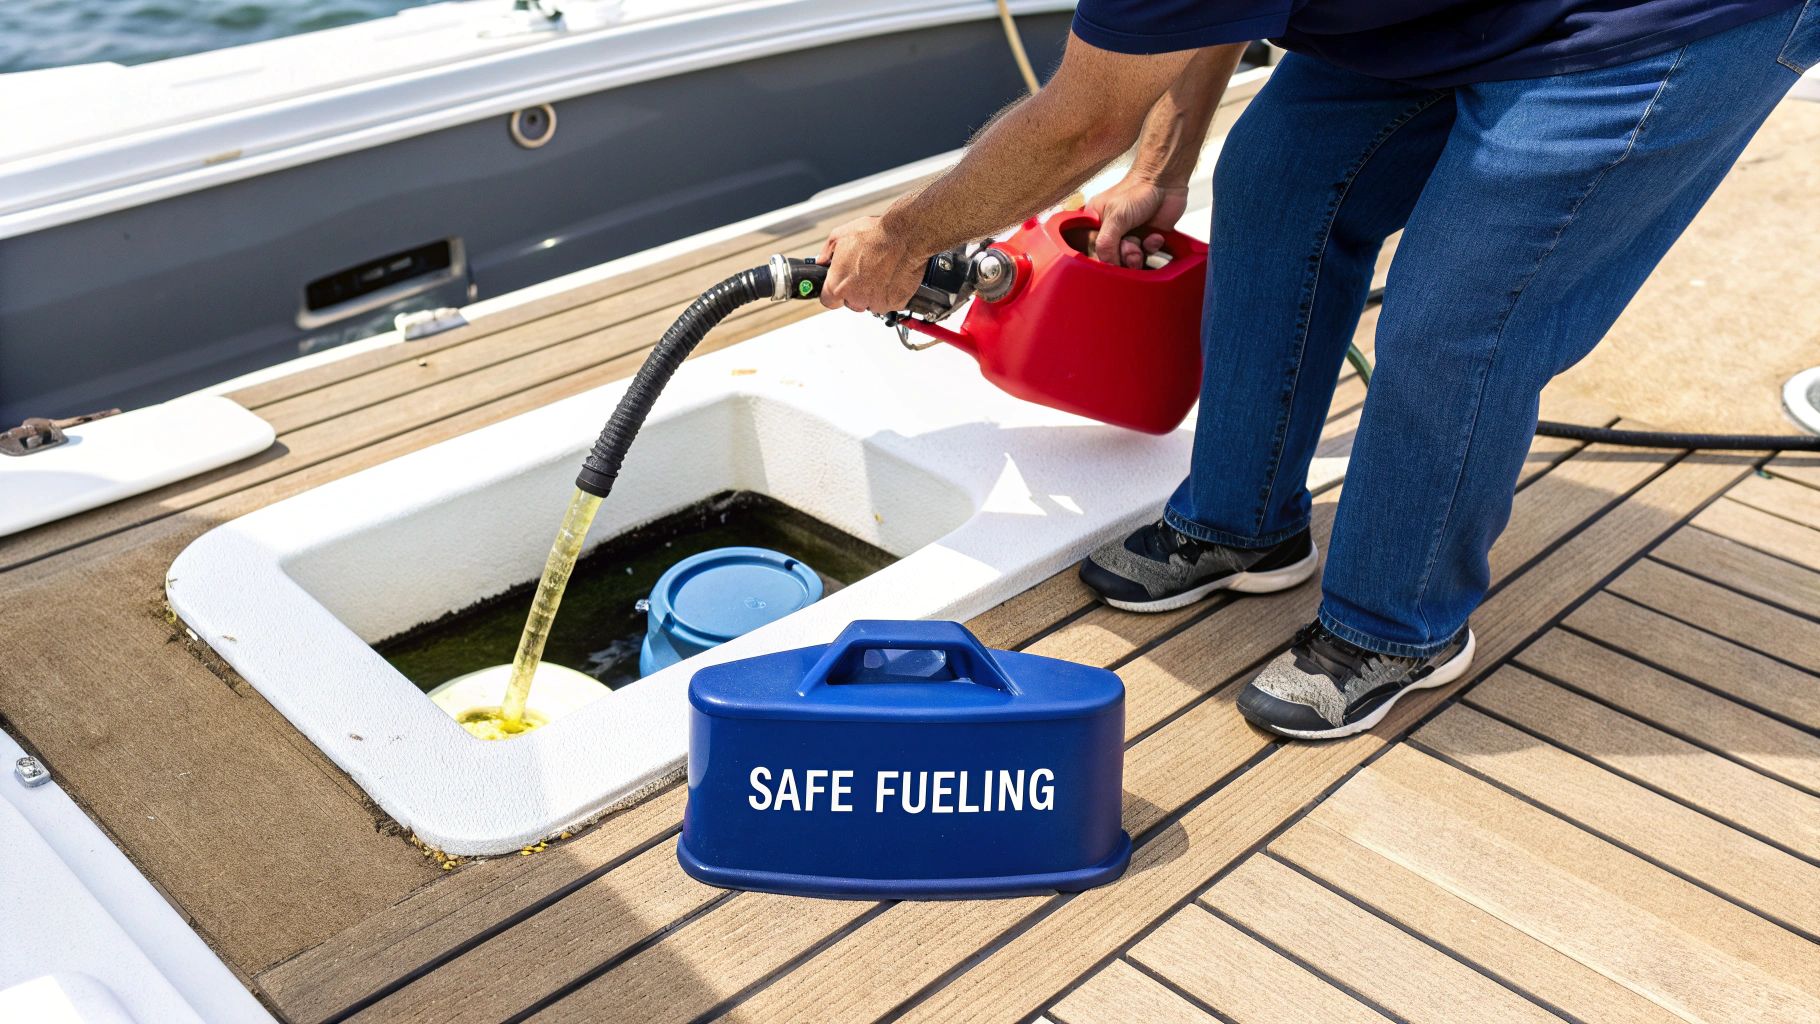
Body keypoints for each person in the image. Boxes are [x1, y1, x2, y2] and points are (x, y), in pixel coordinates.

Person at [817, 0, 1819, 739]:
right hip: (1425, 20)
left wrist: (905, 234)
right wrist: (1162, 171)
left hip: (1650, 27)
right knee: (1272, 181)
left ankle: (1399, 620)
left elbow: (1082, 119)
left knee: (1454, 313)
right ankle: (1243, 521)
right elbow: (1187, 15)